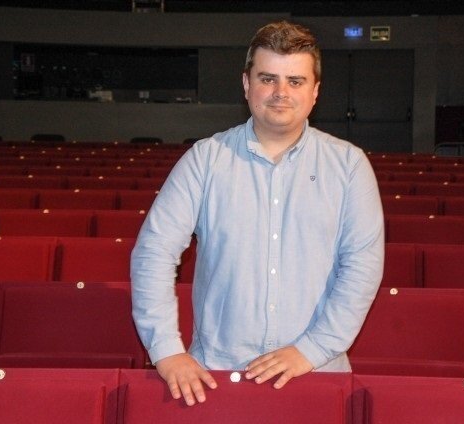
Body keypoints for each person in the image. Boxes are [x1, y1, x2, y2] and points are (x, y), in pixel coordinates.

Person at [131, 20, 384, 407]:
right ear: (247, 84)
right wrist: (166, 351)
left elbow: (362, 268)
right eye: (268, 79)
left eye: (295, 81)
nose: (281, 93)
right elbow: (154, 253)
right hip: (217, 376)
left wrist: (311, 349)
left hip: (316, 374)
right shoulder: (205, 159)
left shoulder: (349, 166)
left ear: (315, 91)